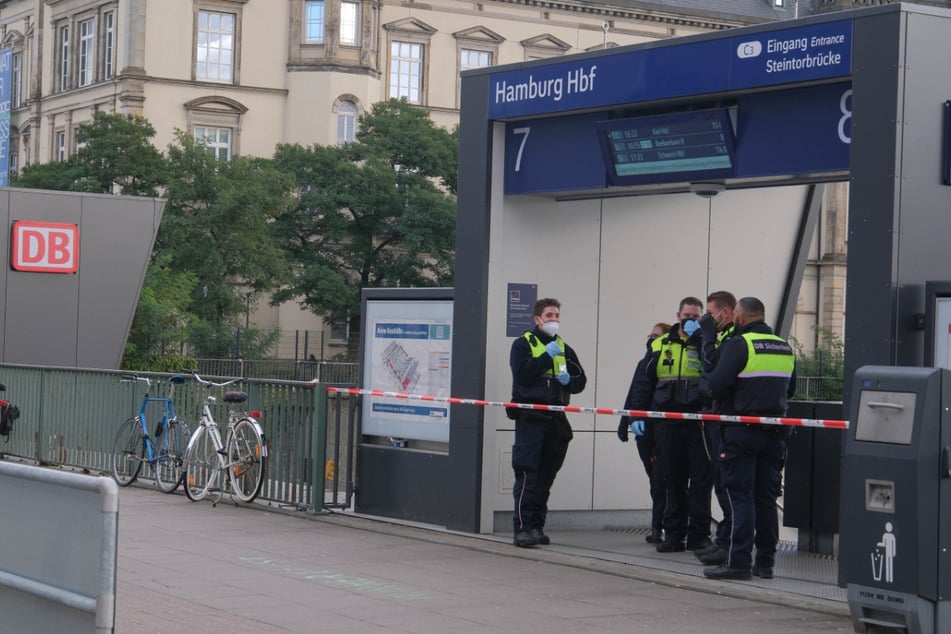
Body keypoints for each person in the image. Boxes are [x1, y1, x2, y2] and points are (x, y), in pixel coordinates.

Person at [702, 297, 796, 581]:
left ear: (740, 317)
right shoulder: (784, 346)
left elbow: (716, 385)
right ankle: (765, 563)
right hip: (775, 432)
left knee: (740, 497)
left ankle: (738, 562)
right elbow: (790, 389)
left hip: (741, 431)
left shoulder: (740, 344)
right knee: (765, 499)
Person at [627, 297, 713, 553]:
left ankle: (699, 536)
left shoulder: (707, 344)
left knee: (700, 482)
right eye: (687, 316)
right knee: (671, 480)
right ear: (678, 315)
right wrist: (637, 415)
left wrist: (702, 339)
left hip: (697, 422)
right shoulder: (660, 344)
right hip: (666, 421)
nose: (690, 321)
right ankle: (673, 535)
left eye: (696, 317)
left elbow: (714, 372)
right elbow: (643, 384)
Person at [509, 297, 587, 548]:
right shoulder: (523, 345)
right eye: (550, 316)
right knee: (527, 476)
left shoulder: (564, 348)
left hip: (556, 419)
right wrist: (545, 357)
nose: (554, 320)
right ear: (537, 320)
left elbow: (580, 380)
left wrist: (569, 382)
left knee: (545, 478)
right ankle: (522, 529)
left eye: (557, 316)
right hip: (531, 420)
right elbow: (522, 374)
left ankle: (537, 526)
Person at [617, 321, 671, 544]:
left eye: (656, 335)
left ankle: (661, 527)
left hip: (660, 428)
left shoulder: (665, 362)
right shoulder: (644, 362)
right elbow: (634, 393)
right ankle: (658, 526)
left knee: (661, 481)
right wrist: (624, 423)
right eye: (650, 335)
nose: (651, 338)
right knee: (654, 480)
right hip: (644, 430)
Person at [694, 291, 737, 566]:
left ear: (727, 312)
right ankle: (724, 539)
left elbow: (712, 363)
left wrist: (707, 336)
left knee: (729, 484)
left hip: (728, 420)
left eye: (711, 313)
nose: (708, 319)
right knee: (719, 481)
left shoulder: (732, 338)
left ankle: (729, 544)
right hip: (715, 416)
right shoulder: (723, 336)